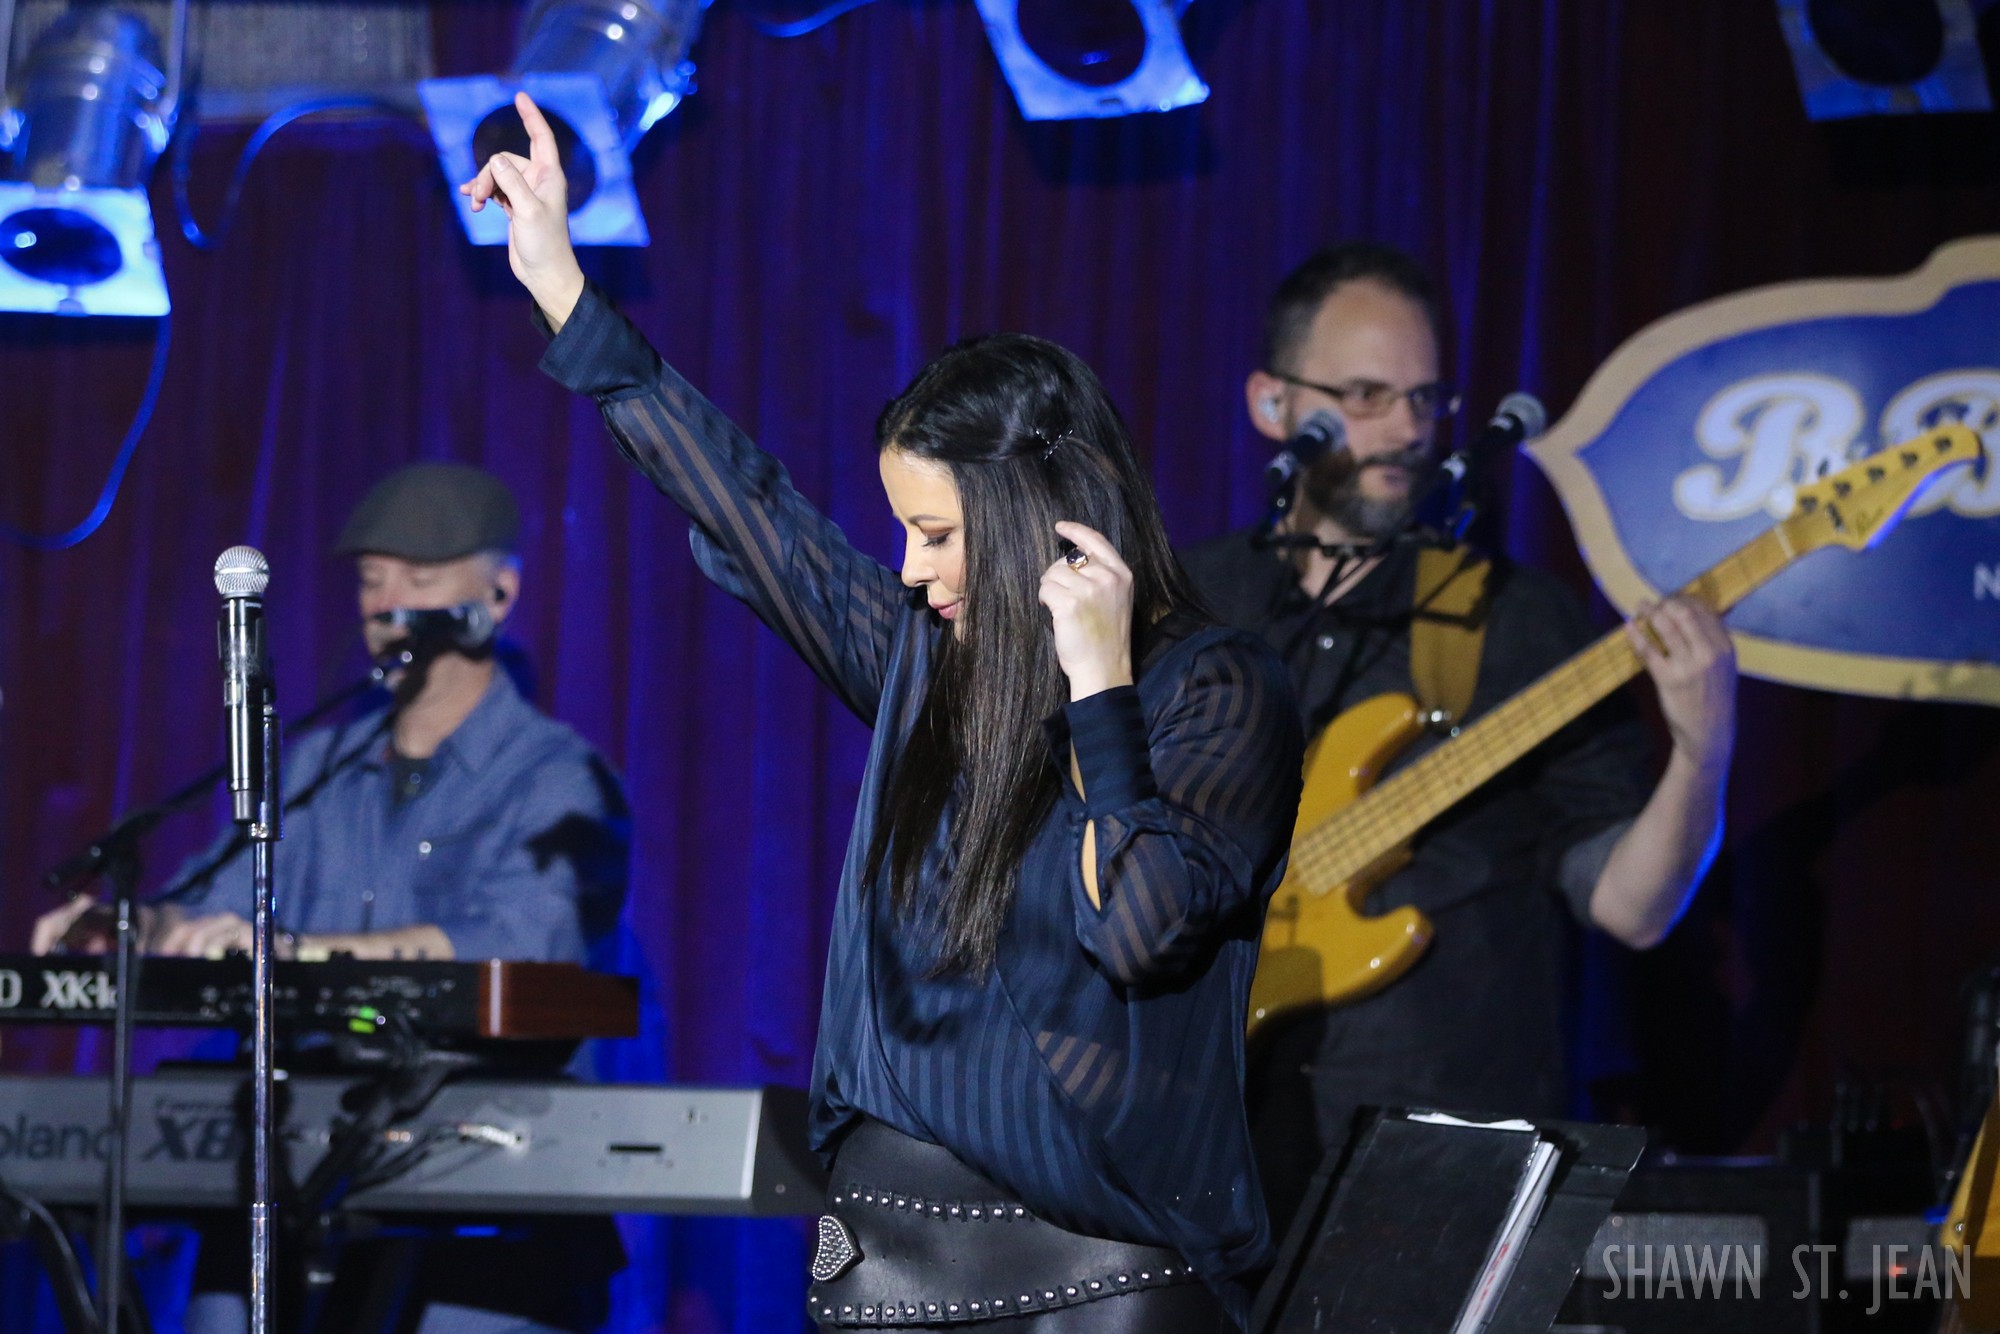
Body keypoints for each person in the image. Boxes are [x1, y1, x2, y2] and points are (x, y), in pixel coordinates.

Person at [464, 93, 1303, 1330]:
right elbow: (753, 512)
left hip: (1099, 1277)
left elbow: (1140, 928)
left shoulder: (1215, 686)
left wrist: (1099, 687)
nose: (910, 568)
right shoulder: (928, 664)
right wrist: (559, 285)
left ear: (1034, 514)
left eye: (937, 533)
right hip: (885, 1263)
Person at [1179, 241, 1739, 1242]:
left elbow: (1632, 907)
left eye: (1424, 398)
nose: (1404, 428)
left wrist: (1703, 750)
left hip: (1444, 1163)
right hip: (1206, 1150)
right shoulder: (1190, 606)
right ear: (1271, 403)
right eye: (1364, 395)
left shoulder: (1520, 621)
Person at [32, 461, 631, 1333]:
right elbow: (219, 903)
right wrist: (137, 924)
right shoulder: (314, 766)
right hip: (286, 1167)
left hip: (488, 1205)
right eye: (371, 579)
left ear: (497, 596)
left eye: (419, 578)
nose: (386, 604)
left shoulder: (560, 779)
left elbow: (525, 941)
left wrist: (302, 955)